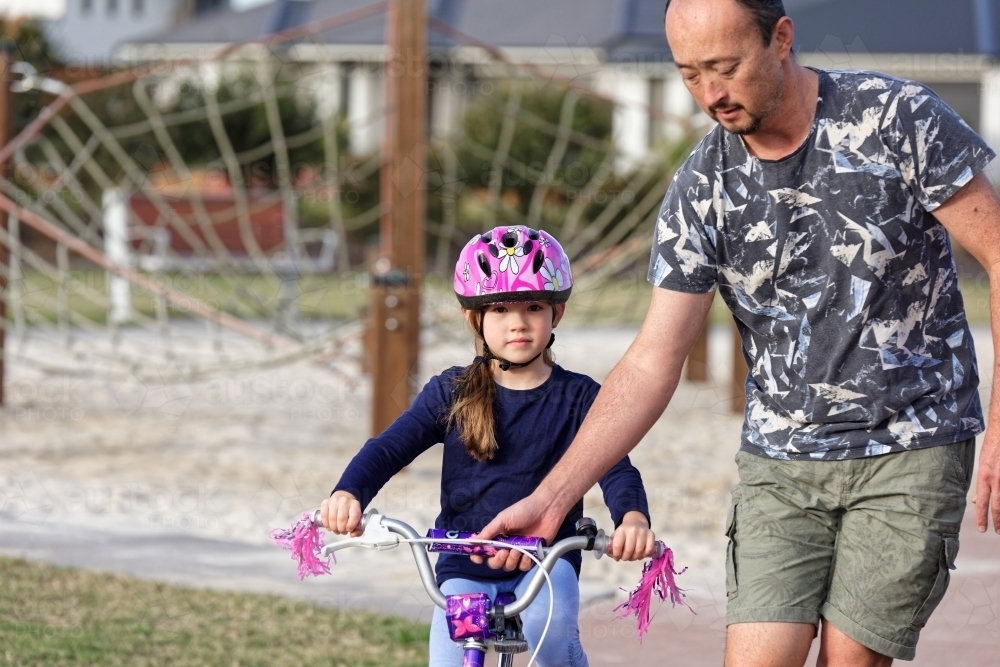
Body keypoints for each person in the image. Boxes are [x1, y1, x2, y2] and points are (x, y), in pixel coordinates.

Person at [475, 1, 1000, 666]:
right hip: (779, 464)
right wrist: (551, 498)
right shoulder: (701, 186)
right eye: (690, 75)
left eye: (725, 67)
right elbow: (652, 358)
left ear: (781, 38)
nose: (710, 94)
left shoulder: (895, 118)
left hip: (910, 446)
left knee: (851, 658)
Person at [319, 225, 656, 667]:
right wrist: (349, 492)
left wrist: (632, 518)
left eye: (533, 306)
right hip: (464, 562)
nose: (517, 322)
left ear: (557, 313)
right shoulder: (451, 392)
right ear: (473, 317)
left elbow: (615, 467)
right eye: (499, 309)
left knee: (547, 630)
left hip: (546, 560)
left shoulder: (580, 398)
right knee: (451, 657)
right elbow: (389, 448)